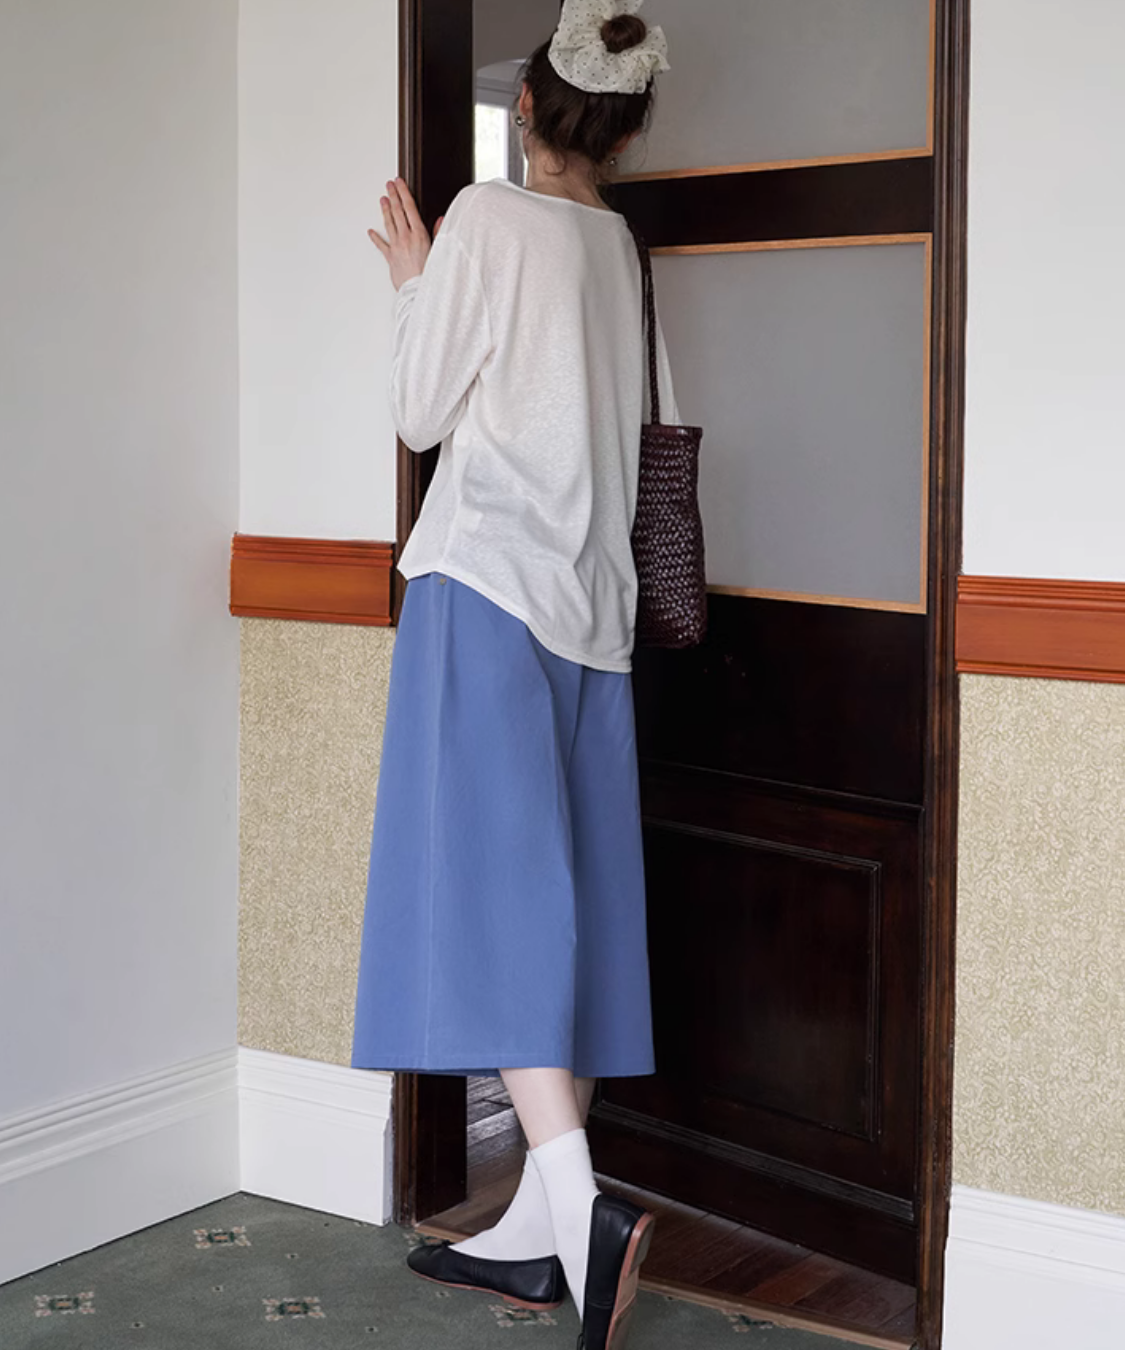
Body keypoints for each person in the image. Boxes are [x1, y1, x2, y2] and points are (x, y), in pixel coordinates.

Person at [351, 3, 678, 1347]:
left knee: (494, 907)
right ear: (628, 129)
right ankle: (536, 1240)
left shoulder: (489, 219)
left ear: (529, 105)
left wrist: (415, 279)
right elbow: (650, 428)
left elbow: (417, 409)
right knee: (577, 912)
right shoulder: (621, 249)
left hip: (486, 591)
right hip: (595, 614)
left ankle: (579, 1206)